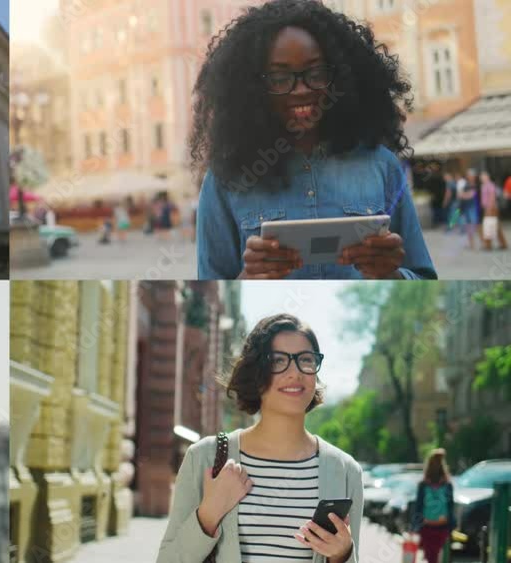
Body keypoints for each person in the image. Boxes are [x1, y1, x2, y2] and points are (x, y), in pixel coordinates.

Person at [191, 0, 436, 280]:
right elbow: (210, 283)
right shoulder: (225, 179)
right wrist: (248, 279)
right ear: (253, 88)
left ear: (341, 77)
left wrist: (391, 276)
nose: (301, 90)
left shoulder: (382, 165)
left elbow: (424, 278)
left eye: (316, 73)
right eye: (280, 78)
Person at [157, 314, 363, 563]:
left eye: (306, 360)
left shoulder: (345, 471)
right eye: (278, 361)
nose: (295, 372)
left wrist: (342, 555)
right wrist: (209, 513)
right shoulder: (204, 457)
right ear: (256, 372)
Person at [410, 449, 455, 563]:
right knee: (435, 553)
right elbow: (450, 506)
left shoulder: (423, 485)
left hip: (427, 525)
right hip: (442, 525)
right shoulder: (447, 485)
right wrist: (451, 525)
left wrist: (414, 527)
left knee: (430, 555)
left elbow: (418, 507)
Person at [480, 172, 509, 250]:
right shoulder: (483, 186)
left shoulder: (490, 185)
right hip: (487, 208)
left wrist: (490, 207)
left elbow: (492, 196)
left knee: (488, 226)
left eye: (483, 177)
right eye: (481, 177)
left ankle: (488, 245)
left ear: (488, 177)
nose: (482, 178)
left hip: (491, 208)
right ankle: (503, 243)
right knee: (496, 226)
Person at [456, 170, 479, 249]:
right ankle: (471, 243)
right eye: (469, 175)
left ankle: (480, 243)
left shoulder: (476, 185)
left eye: (472, 176)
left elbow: (471, 195)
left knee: (474, 224)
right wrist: (465, 195)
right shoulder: (466, 184)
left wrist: (464, 195)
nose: (471, 177)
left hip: (474, 207)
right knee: (469, 225)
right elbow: (460, 195)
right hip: (466, 207)